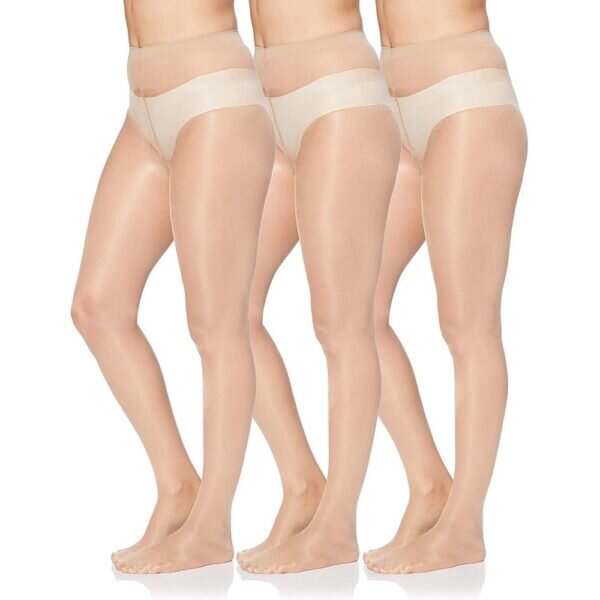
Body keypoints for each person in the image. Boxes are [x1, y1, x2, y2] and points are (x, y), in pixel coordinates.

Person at [71, 0, 274, 574]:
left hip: (211, 94)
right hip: (143, 104)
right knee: (97, 306)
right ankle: (178, 484)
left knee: (217, 324)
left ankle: (212, 526)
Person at [237, 0, 401, 574]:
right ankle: (303, 484)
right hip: (265, 100)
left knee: (342, 323)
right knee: (229, 313)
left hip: (336, 93)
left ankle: (337, 526)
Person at [363, 0, 527, 573]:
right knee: (352, 315)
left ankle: (465, 526)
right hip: (392, 106)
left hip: (463, 95)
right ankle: (429, 485)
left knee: (467, 325)